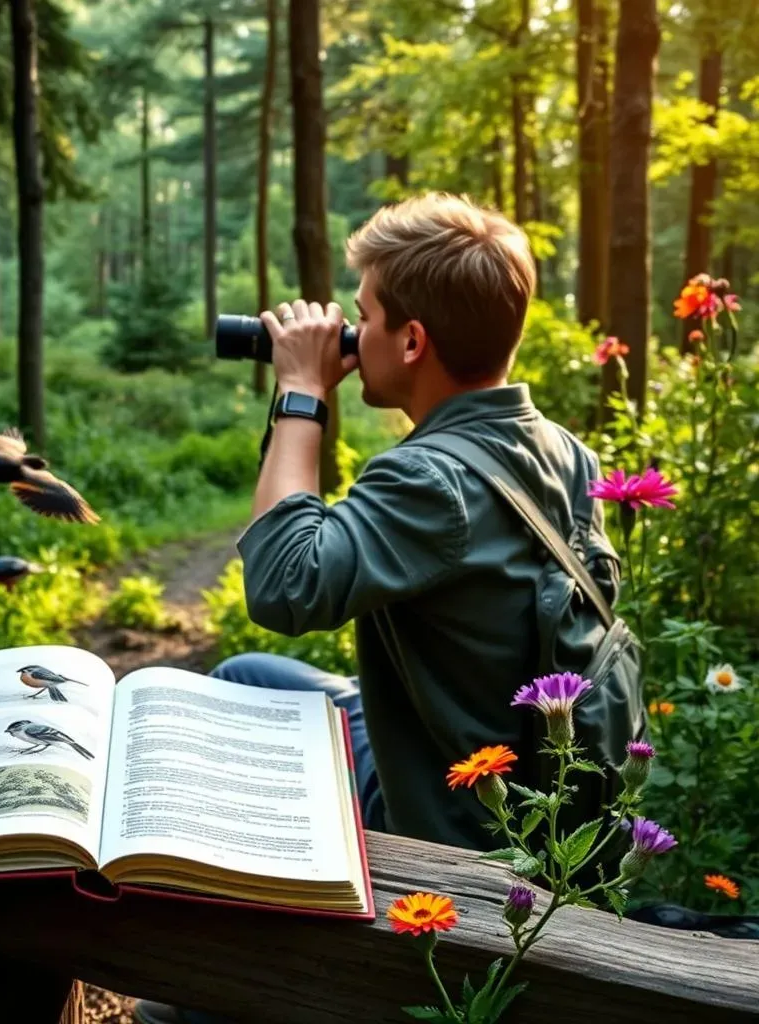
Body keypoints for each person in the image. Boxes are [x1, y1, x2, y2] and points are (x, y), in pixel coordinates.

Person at [133, 192, 623, 1024]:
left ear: (411, 339)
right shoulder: (560, 450)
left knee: (170, 1011)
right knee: (247, 676)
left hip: (451, 814)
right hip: (510, 764)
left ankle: (226, 968)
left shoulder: (430, 480)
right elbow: (306, 546)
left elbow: (283, 586)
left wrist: (298, 390)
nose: (348, 333)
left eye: (360, 314)